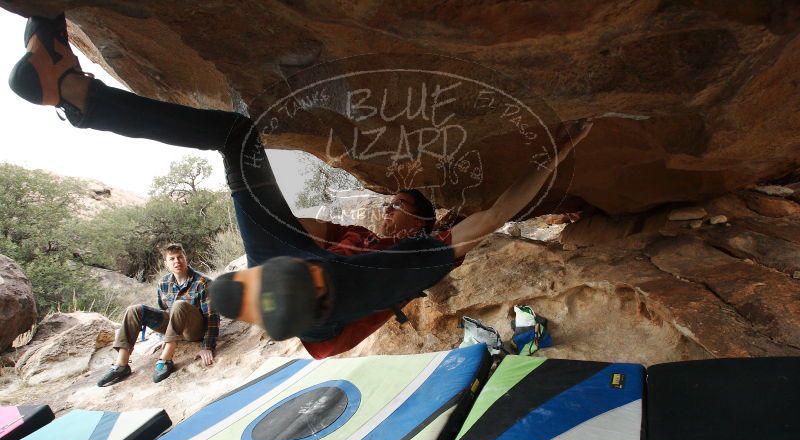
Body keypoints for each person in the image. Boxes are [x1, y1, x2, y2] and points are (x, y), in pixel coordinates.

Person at [9, 14, 592, 359]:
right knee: (237, 138)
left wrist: (556, 154)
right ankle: (79, 96)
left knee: (265, 226)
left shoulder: (390, 269)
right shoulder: (349, 254)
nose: (388, 212)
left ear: (422, 221)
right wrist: (282, 230)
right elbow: (307, 233)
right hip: (285, 265)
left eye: (399, 207)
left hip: (308, 288)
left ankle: (80, 96)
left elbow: (489, 219)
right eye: (390, 203)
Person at [96, 243, 219, 386]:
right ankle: (122, 364)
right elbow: (164, 312)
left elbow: (212, 317)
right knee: (134, 310)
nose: (177, 261)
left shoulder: (203, 282)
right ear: (166, 264)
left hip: (195, 330)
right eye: (172, 259)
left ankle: (166, 359)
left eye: (180, 257)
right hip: (176, 328)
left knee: (179, 304)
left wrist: (207, 347)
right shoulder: (163, 282)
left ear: (186, 259)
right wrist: (162, 337)